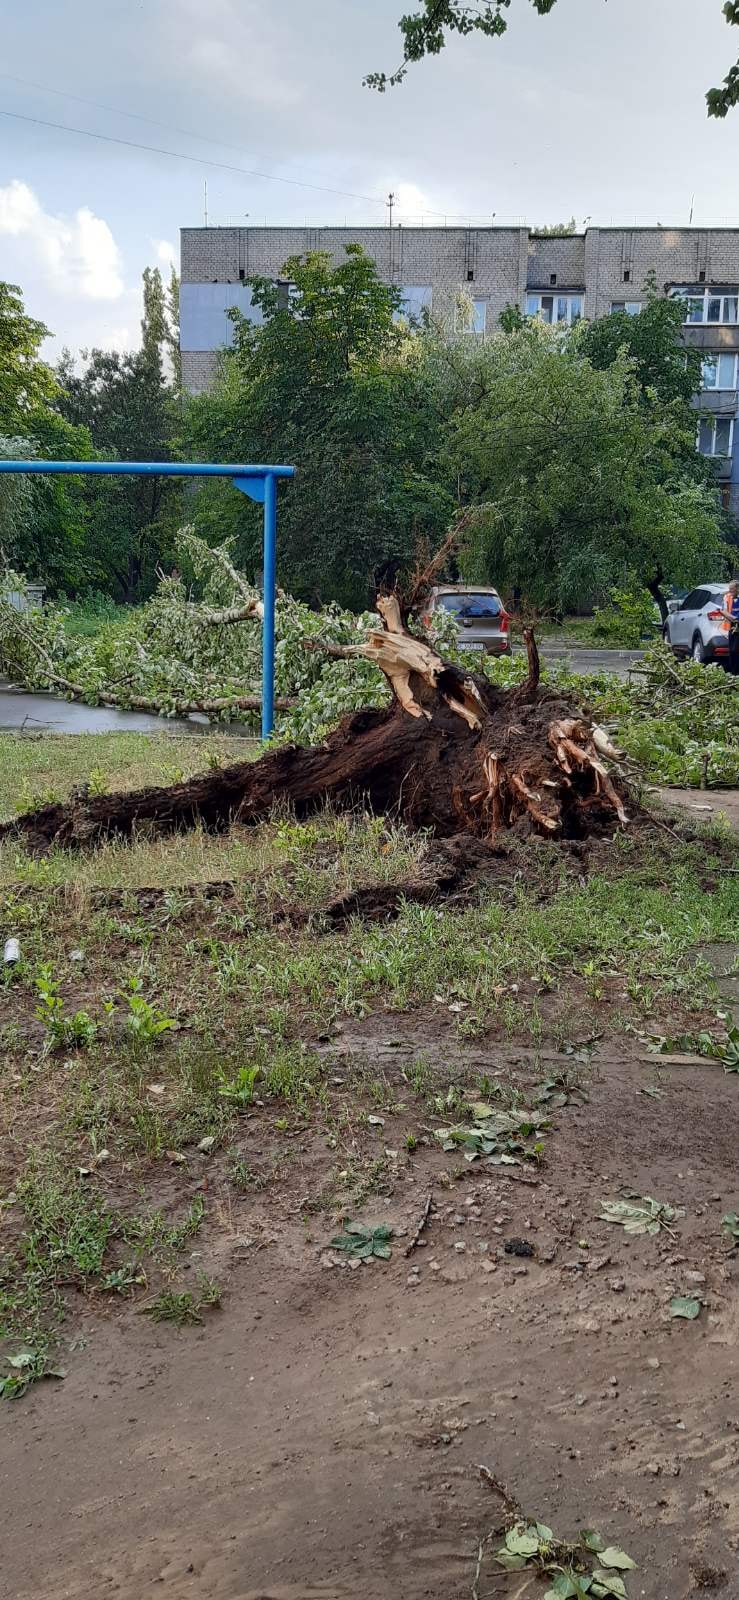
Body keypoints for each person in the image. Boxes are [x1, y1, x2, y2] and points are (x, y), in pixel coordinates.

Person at [720, 578, 739, 675]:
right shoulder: (727, 597)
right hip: (733, 626)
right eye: (730, 589)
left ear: (738, 589)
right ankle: (734, 673)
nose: (730, 591)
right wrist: (734, 619)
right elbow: (723, 610)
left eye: (732, 589)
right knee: (733, 650)